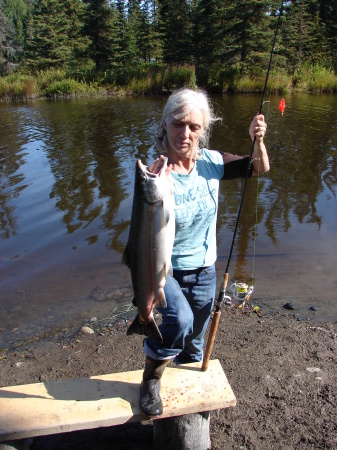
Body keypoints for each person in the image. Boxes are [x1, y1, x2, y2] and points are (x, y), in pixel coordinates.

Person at [139, 88, 270, 417]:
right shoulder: (156, 171)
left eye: (194, 127)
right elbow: (141, 226)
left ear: (203, 130)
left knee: (194, 342)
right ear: (165, 124)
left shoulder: (213, 162)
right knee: (179, 320)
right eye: (179, 124)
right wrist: (156, 180)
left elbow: (259, 168)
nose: (185, 133)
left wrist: (258, 140)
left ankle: (190, 400)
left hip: (204, 271)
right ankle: (150, 380)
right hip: (163, 269)